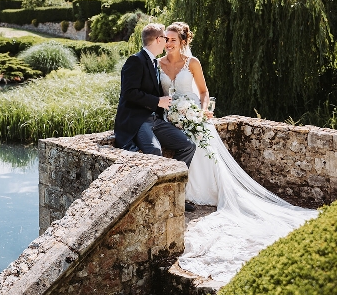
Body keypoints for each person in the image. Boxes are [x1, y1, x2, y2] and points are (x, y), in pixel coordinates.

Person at [159, 21, 318, 283]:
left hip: (193, 119)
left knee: (204, 153)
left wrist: (201, 111)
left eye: (173, 39)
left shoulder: (193, 63)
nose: (168, 43)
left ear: (183, 41)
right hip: (169, 121)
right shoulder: (159, 65)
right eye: (166, 38)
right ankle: (186, 192)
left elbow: (203, 91)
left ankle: (202, 192)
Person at [114, 23, 197, 211]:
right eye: (165, 39)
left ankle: (175, 195)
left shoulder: (154, 62)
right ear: (158, 40)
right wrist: (157, 101)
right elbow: (129, 93)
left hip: (156, 120)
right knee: (155, 152)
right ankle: (158, 202)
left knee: (187, 145)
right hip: (139, 120)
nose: (167, 43)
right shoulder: (135, 61)